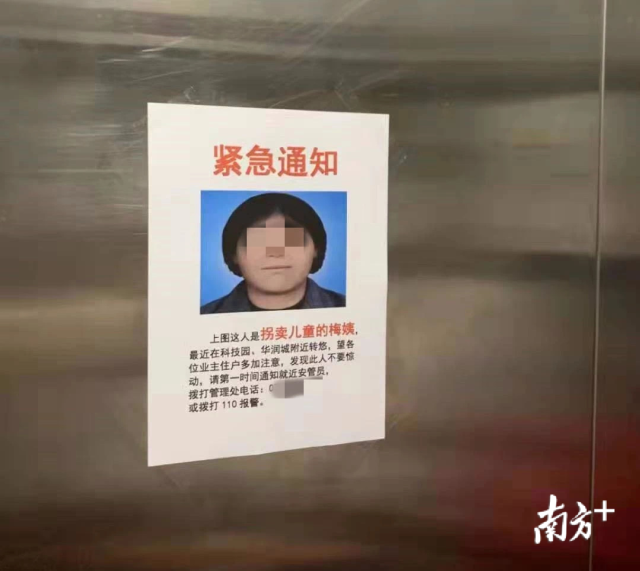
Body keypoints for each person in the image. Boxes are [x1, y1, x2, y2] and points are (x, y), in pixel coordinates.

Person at [201, 193, 345, 313]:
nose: (275, 252)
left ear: (316, 249)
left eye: (290, 239)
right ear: (234, 254)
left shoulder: (349, 309)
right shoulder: (205, 316)